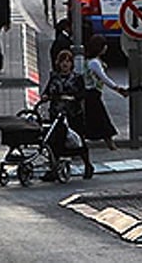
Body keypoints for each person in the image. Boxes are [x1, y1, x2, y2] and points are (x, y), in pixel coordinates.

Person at [42, 49, 93, 179]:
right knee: (54, 141)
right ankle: (54, 168)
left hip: (73, 114)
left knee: (78, 140)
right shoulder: (54, 77)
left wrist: (73, 98)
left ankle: (87, 165)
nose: (65, 64)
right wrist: (46, 96)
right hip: (57, 114)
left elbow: (82, 94)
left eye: (68, 61)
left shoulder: (77, 78)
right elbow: (47, 91)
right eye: (62, 61)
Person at [83, 36, 127, 151]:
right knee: (101, 118)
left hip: (91, 93)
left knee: (93, 118)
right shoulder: (94, 63)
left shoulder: (90, 61)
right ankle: (110, 144)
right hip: (92, 93)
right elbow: (104, 78)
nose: (106, 48)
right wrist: (117, 89)